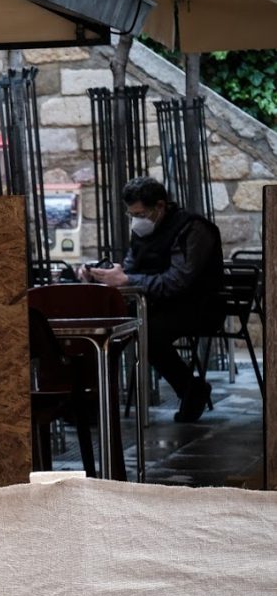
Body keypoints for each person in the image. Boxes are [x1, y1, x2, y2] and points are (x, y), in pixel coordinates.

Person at [80, 176, 224, 423]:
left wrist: (128, 281)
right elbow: (130, 268)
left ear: (160, 206)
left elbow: (177, 280)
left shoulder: (194, 229)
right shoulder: (143, 230)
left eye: (140, 213)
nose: (136, 220)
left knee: (149, 334)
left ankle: (191, 390)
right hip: (155, 304)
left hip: (197, 305)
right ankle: (91, 399)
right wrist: (106, 274)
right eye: (132, 214)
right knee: (103, 327)